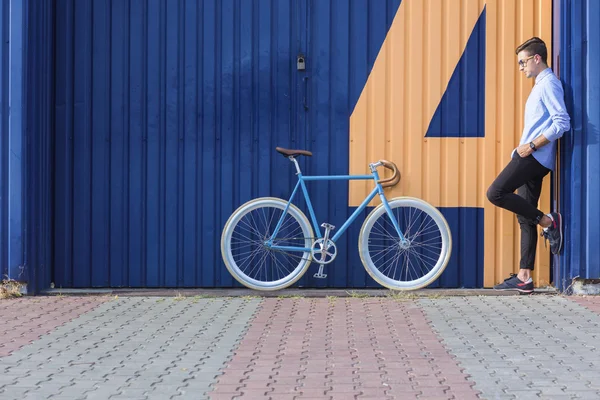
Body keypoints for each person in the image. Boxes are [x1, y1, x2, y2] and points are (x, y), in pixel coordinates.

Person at [487, 37, 570, 294]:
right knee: (525, 216)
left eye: (523, 62)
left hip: (533, 157)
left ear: (537, 58)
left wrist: (532, 146)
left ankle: (548, 222)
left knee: (495, 193)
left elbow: (562, 122)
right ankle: (525, 277)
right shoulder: (539, 85)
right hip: (530, 154)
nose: (521, 67)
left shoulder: (549, 84)